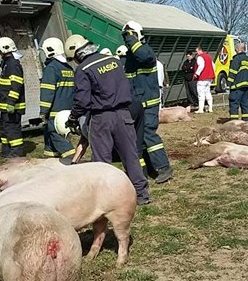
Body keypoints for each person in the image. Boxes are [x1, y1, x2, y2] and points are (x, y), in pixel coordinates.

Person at [63, 34, 151, 205]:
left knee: (101, 162)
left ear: (77, 53)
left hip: (102, 118)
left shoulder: (83, 69)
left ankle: (106, 199)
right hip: (124, 114)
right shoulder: (113, 61)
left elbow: (82, 100)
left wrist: (73, 117)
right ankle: (141, 194)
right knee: (130, 156)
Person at [121, 21, 173, 183]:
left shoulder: (144, 51)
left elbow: (145, 57)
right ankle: (145, 169)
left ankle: (164, 167)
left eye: (129, 36)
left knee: (149, 135)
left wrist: (132, 41)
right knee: (138, 138)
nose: (126, 40)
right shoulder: (130, 55)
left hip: (148, 103)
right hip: (137, 104)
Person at [39, 37, 76, 163]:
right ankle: (50, 160)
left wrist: (43, 111)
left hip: (55, 112)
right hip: (67, 111)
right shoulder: (69, 69)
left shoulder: (51, 69)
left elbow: (47, 92)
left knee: (54, 134)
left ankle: (72, 157)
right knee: (49, 136)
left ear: (49, 51)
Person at [116, 44, 146, 174]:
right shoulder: (133, 63)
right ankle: (142, 173)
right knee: (138, 143)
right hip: (136, 103)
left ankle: (130, 173)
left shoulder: (115, 67)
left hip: (124, 107)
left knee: (125, 142)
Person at [0, 37, 25, 159]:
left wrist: (11, 102)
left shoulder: (13, 64)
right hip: (5, 105)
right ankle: (6, 151)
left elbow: (16, 84)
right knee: (4, 127)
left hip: (12, 105)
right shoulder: (7, 63)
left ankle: (16, 153)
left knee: (12, 129)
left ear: (4, 49)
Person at [227, 43, 248, 121]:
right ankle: (247, 122)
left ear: (238, 49)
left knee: (234, 105)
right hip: (247, 87)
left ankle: (234, 123)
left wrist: (228, 84)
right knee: (245, 106)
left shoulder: (236, 59)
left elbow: (232, 72)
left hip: (237, 87)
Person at [193, 46, 214, 113]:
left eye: (196, 51)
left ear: (200, 50)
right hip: (209, 78)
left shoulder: (200, 57)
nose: (196, 53)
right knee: (208, 92)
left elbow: (201, 65)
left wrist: (197, 73)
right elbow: (213, 66)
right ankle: (210, 108)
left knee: (201, 93)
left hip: (202, 77)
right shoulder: (208, 56)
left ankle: (200, 109)